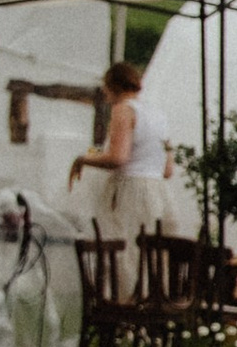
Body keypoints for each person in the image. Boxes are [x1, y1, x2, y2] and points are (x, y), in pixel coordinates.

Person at [68, 59, 184, 237]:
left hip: (131, 192)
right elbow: (167, 170)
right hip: (159, 194)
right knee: (153, 257)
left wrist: (83, 159)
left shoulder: (123, 110)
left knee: (125, 253)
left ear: (113, 86)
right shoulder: (158, 114)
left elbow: (118, 158)